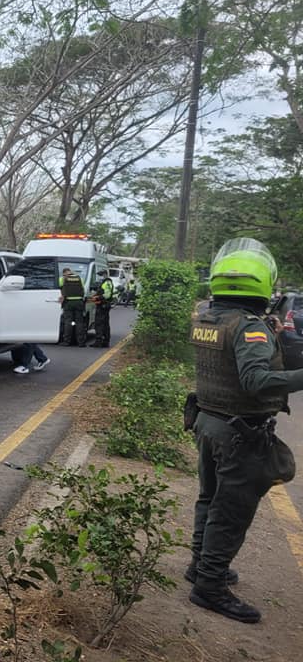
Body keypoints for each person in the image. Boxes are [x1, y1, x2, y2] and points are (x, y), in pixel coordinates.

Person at [188, 238, 303, 624]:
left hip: (208, 421)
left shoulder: (208, 317)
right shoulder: (248, 327)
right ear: (262, 283)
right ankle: (210, 586)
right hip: (239, 433)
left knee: (209, 498)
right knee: (230, 511)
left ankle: (200, 564)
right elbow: (256, 381)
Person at [59, 267, 86, 346]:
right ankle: (81, 342)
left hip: (68, 302)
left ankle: (67, 341)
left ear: (64, 273)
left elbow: (60, 288)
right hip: (79, 302)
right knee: (79, 322)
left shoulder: (63, 279)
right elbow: (83, 289)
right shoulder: (79, 278)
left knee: (68, 322)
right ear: (71, 272)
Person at [91, 270, 114, 347]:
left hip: (103, 306)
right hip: (103, 305)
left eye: (101, 275)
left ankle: (99, 342)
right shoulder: (105, 282)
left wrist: (97, 297)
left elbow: (107, 294)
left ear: (105, 274)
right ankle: (104, 341)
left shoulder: (107, 282)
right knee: (104, 324)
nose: (100, 277)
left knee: (99, 324)